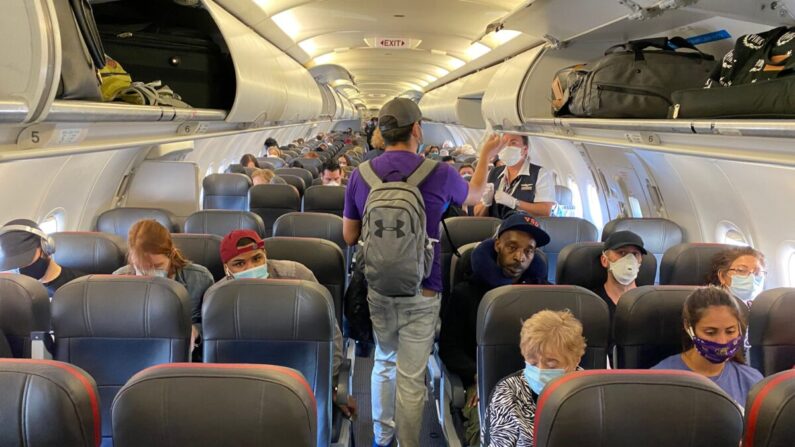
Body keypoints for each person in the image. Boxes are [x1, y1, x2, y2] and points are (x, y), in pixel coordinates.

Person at [342, 98, 504, 447]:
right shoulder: (441, 173)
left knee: (384, 361)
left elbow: (350, 236)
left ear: (382, 134)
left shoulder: (360, 174)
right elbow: (476, 197)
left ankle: (381, 438)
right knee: (411, 376)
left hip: (379, 286)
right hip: (424, 287)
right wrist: (486, 156)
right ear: (417, 129)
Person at [439, 213, 551, 446]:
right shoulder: (466, 294)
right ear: (497, 244)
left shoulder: (545, 294)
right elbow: (450, 350)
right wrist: (477, 373)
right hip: (484, 383)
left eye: (528, 251)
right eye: (512, 247)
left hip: (538, 382)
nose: (520, 257)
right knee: (495, 433)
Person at [217, 229, 356, 418]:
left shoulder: (298, 277)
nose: (250, 268)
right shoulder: (218, 297)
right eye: (239, 263)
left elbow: (330, 334)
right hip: (246, 384)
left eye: (257, 259)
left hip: (301, 378)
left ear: (265, 255)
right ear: (226, 268)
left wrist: (330, 385)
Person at [485, 310, 586, 447]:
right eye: (532, 363)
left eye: (551, 365)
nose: (540, 370)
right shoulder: (507, 393)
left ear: (576, 360)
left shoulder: (591, 391)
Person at [652, 286, 762, 407]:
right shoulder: (660, 379)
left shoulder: (751, 380)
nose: (722, 341)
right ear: (689, 327)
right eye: (710, 332)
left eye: (730, 331)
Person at [113, 220, 214, 350]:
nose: (149, 273)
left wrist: (195, 331)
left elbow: (213, 325)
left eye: (157, 266)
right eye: (141, 268)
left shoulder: (199, 278)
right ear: (132, 258)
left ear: (171, 254)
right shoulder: (117, 280)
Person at [475, 134, 557, 219]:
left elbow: (545, 212)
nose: (507, 146)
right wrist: (486, 204)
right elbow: (477, 214)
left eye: (513, 142)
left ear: (525, 149)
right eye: (504, 143)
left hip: (523, 229)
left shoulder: (540, 174)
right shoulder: (493, 173)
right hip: (494, 230)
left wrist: (515, 203)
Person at [0, 219, 85, 296]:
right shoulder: (21, 291)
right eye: (14, 263)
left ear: (46, 248)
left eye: (25, 259)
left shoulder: (80, 286)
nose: (21, 267)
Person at [592, 230, 646, 321]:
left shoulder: (650, 302)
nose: (629, 260)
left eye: (635, 254)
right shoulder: (593, 302)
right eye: (622, 253)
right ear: (604, 260)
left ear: (640, 260)